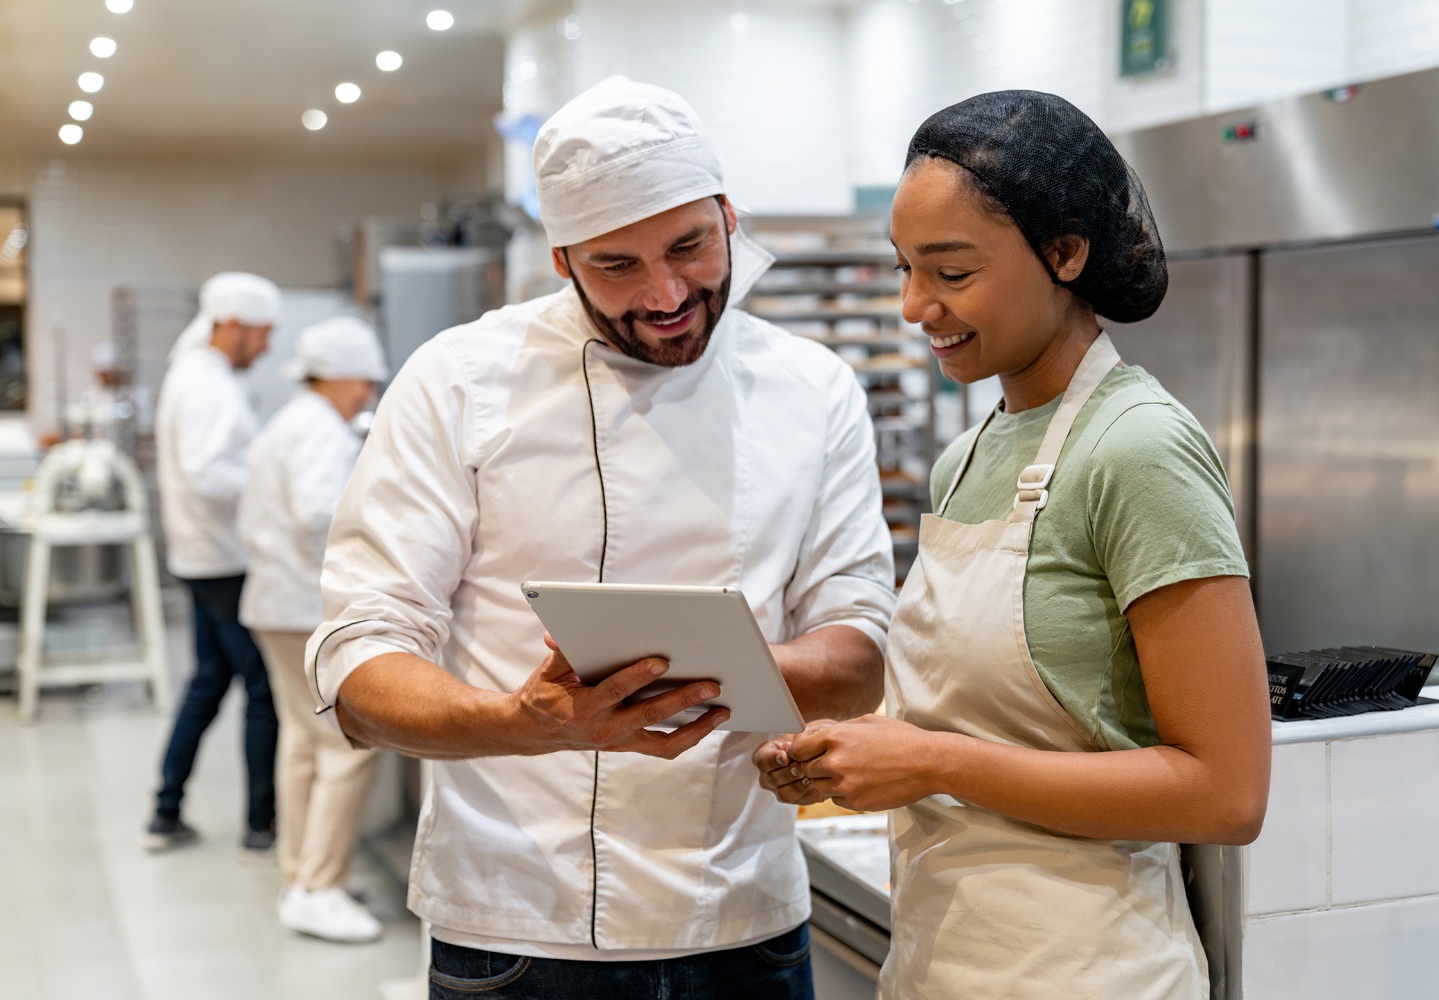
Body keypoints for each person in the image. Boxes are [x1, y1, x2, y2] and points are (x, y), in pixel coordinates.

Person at [306, 76, 896, 998]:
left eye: (690, 247)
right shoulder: (459, 382)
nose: (665, 294)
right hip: (518, 928)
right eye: (617, 266)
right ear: (561, 258)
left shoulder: (813, 388)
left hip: (746, 922)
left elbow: (862, 651)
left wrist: (725, 680)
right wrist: (522, 722)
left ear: (730, 215)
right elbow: (358, 660)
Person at [756, 91, 1272, 1000]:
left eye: (951, 273)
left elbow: (1225, 792)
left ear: (1066, 253)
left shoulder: (1139, 447)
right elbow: (985, 715)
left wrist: (929, 762)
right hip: (945, 961)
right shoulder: (971, 453)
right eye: (905, 269)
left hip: (1087, 969)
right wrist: (849, 751)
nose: (917, 306)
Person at [238, 317, 388, 942]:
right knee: (351, 746)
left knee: (302, 745)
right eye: (365, 383)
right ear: (340, 376)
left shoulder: (294, 420)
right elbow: (318, 515)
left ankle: (302, 874)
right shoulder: (320, 431)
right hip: (303, 608)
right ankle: (319, 888)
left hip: (276, 603)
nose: (368, 395)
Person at [143, 271, 281, 855]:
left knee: (207, 682)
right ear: (231, 326)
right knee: (263, 689)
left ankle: (165, 811)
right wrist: (273, 482)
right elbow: (207, 474)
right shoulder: (207, 383)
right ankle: (260, 825)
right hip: (224, 561)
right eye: (261, 335)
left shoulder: (200, 374)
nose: (267, 348)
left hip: (201, 557)